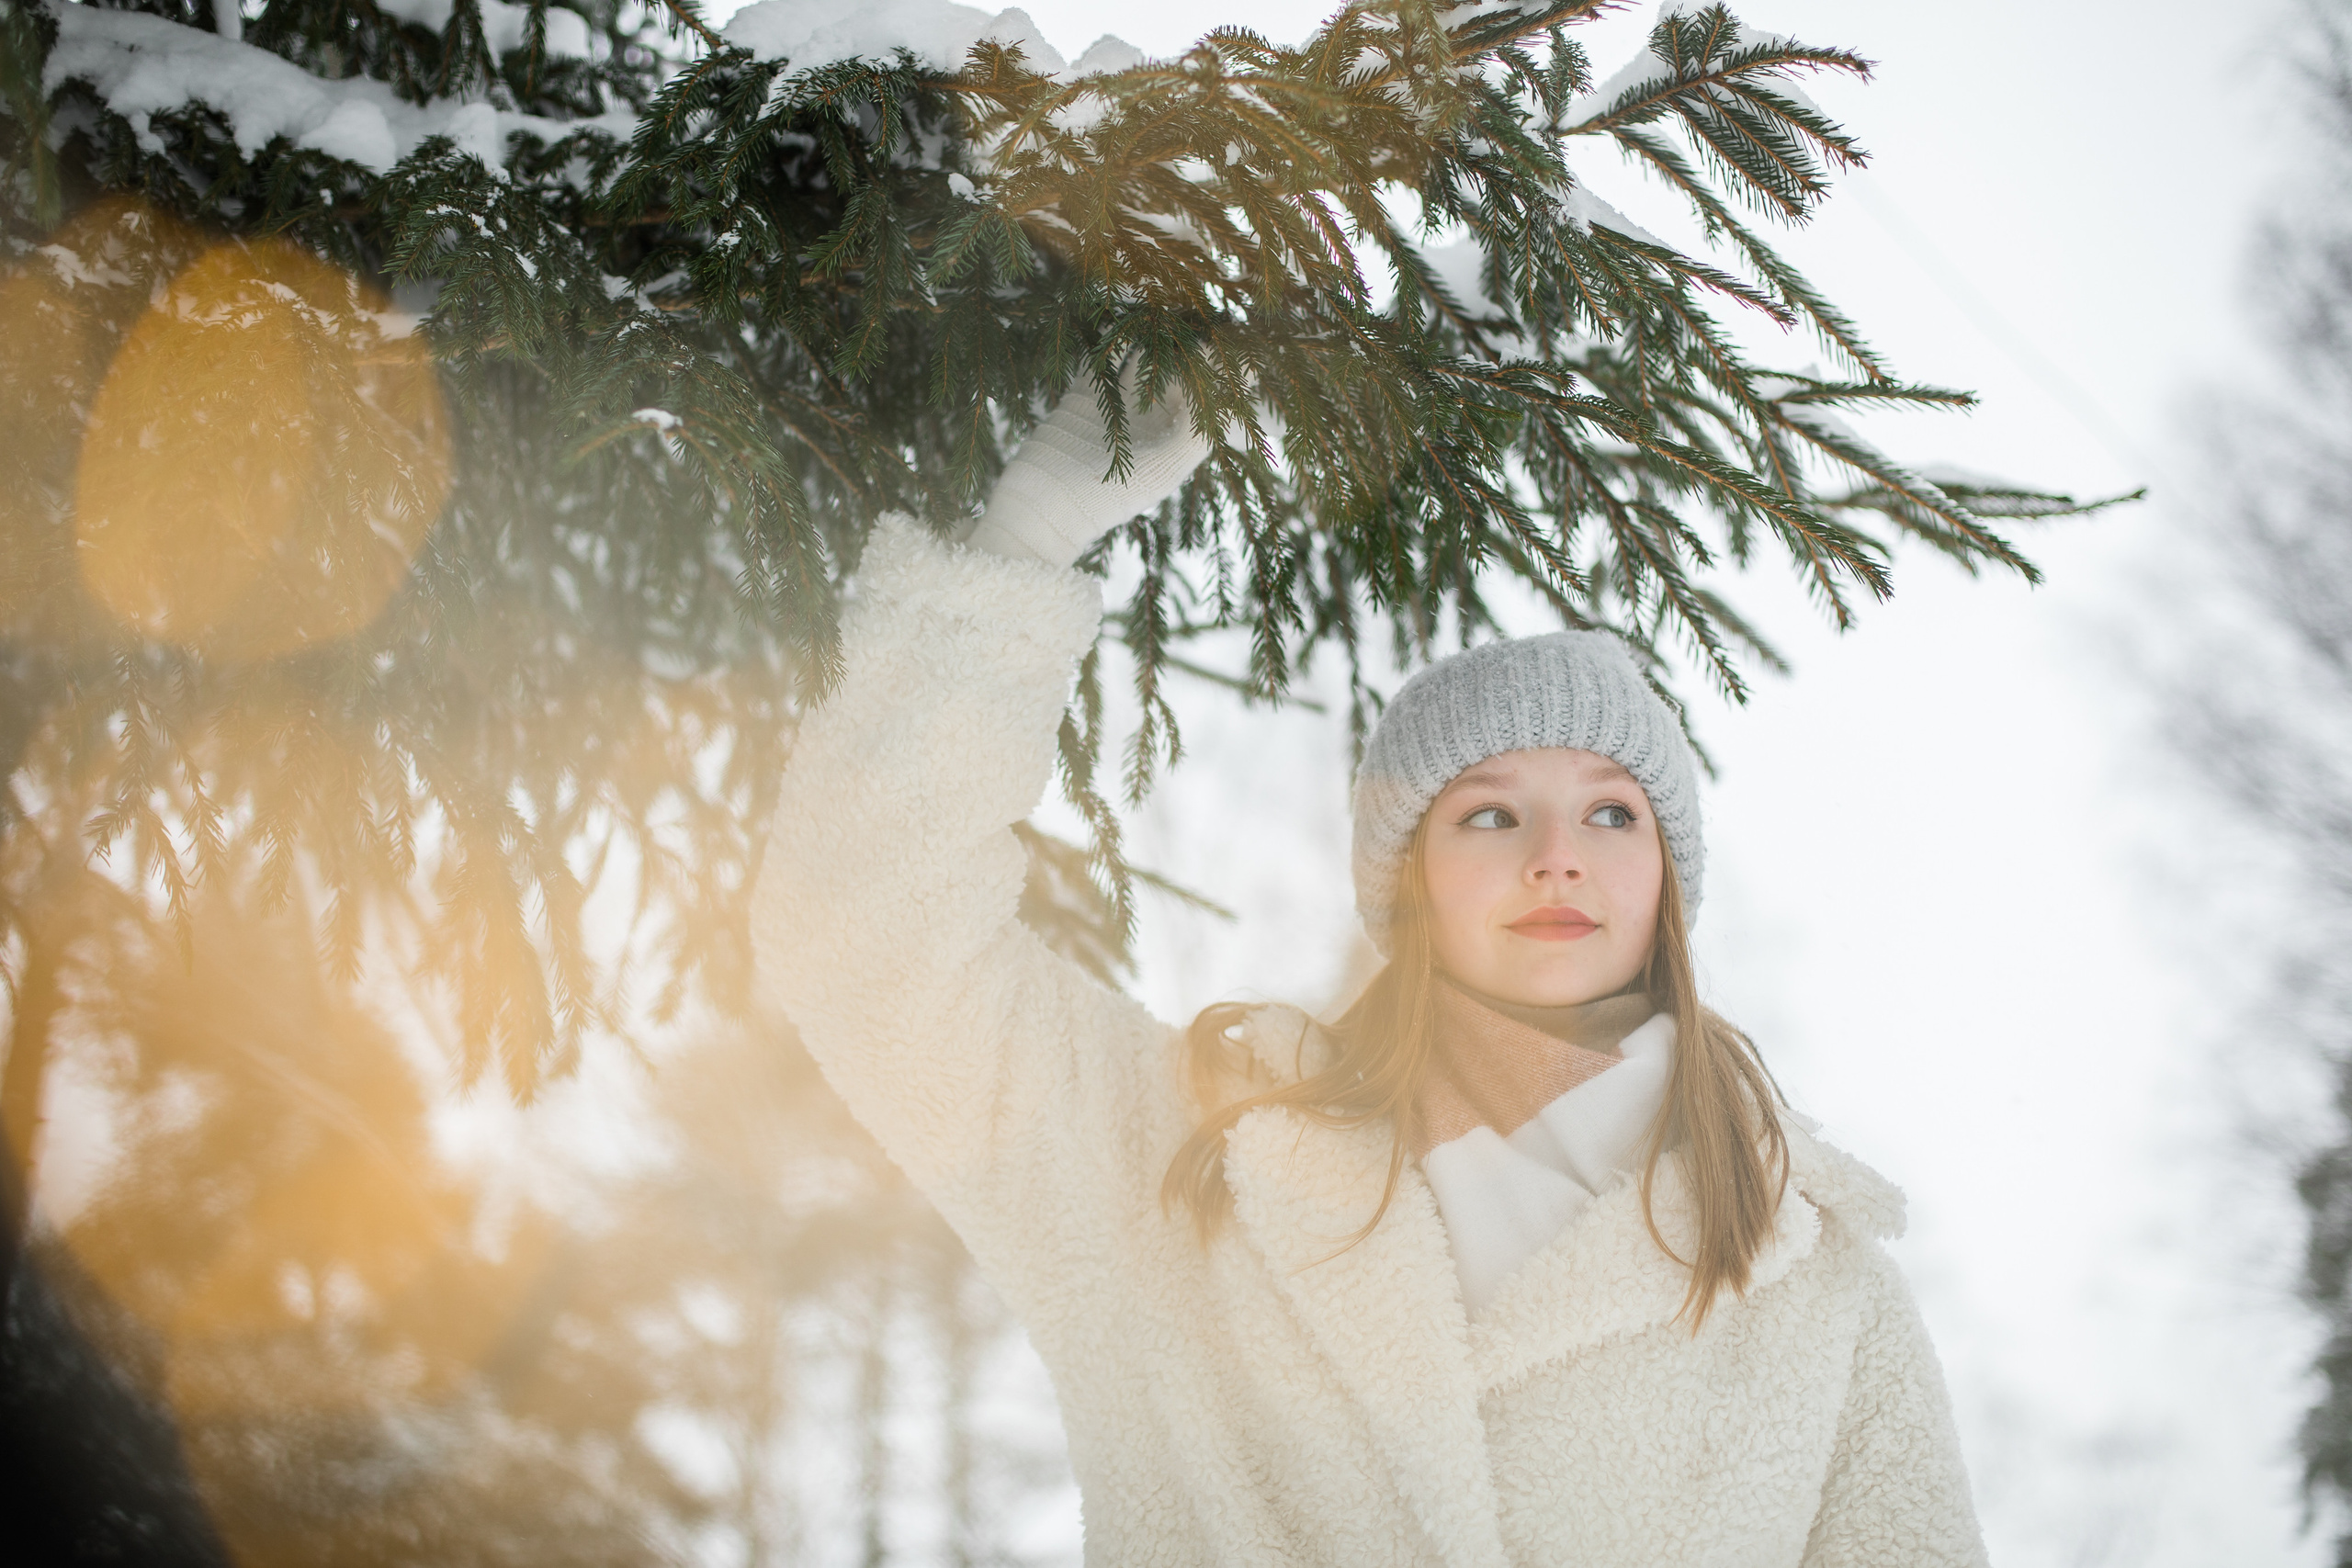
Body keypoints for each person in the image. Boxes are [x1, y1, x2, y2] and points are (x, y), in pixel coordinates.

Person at [749, 378, 1987, 1567]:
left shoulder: (1823, 1301)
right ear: (1408, 883)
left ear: (1668, 879)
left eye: (1614, 816)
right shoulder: (1184, 1170)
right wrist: (1026, 538)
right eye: (1491, 817)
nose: (1559, 860)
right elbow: (866, 936)